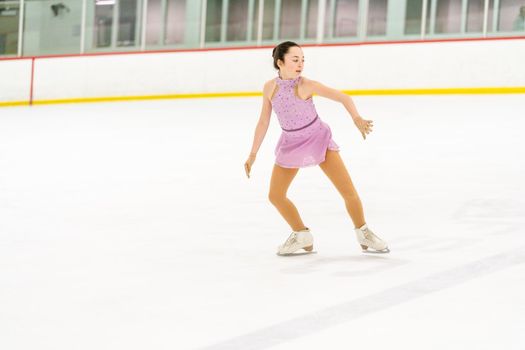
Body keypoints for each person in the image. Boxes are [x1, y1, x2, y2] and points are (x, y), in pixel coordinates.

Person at [244, 41, 389, 256]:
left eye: (303, 60)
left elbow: (343, 97)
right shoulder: (269, 88)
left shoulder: (306, 85)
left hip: (318, 139)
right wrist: (253, 154)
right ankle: (301, 234)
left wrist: (356, 118)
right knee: (275, 195)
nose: (300, 64)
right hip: (291, 143)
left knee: (348, 191)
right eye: (295, 59)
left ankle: (363, 232)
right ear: (280, 61)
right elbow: (263, 122)